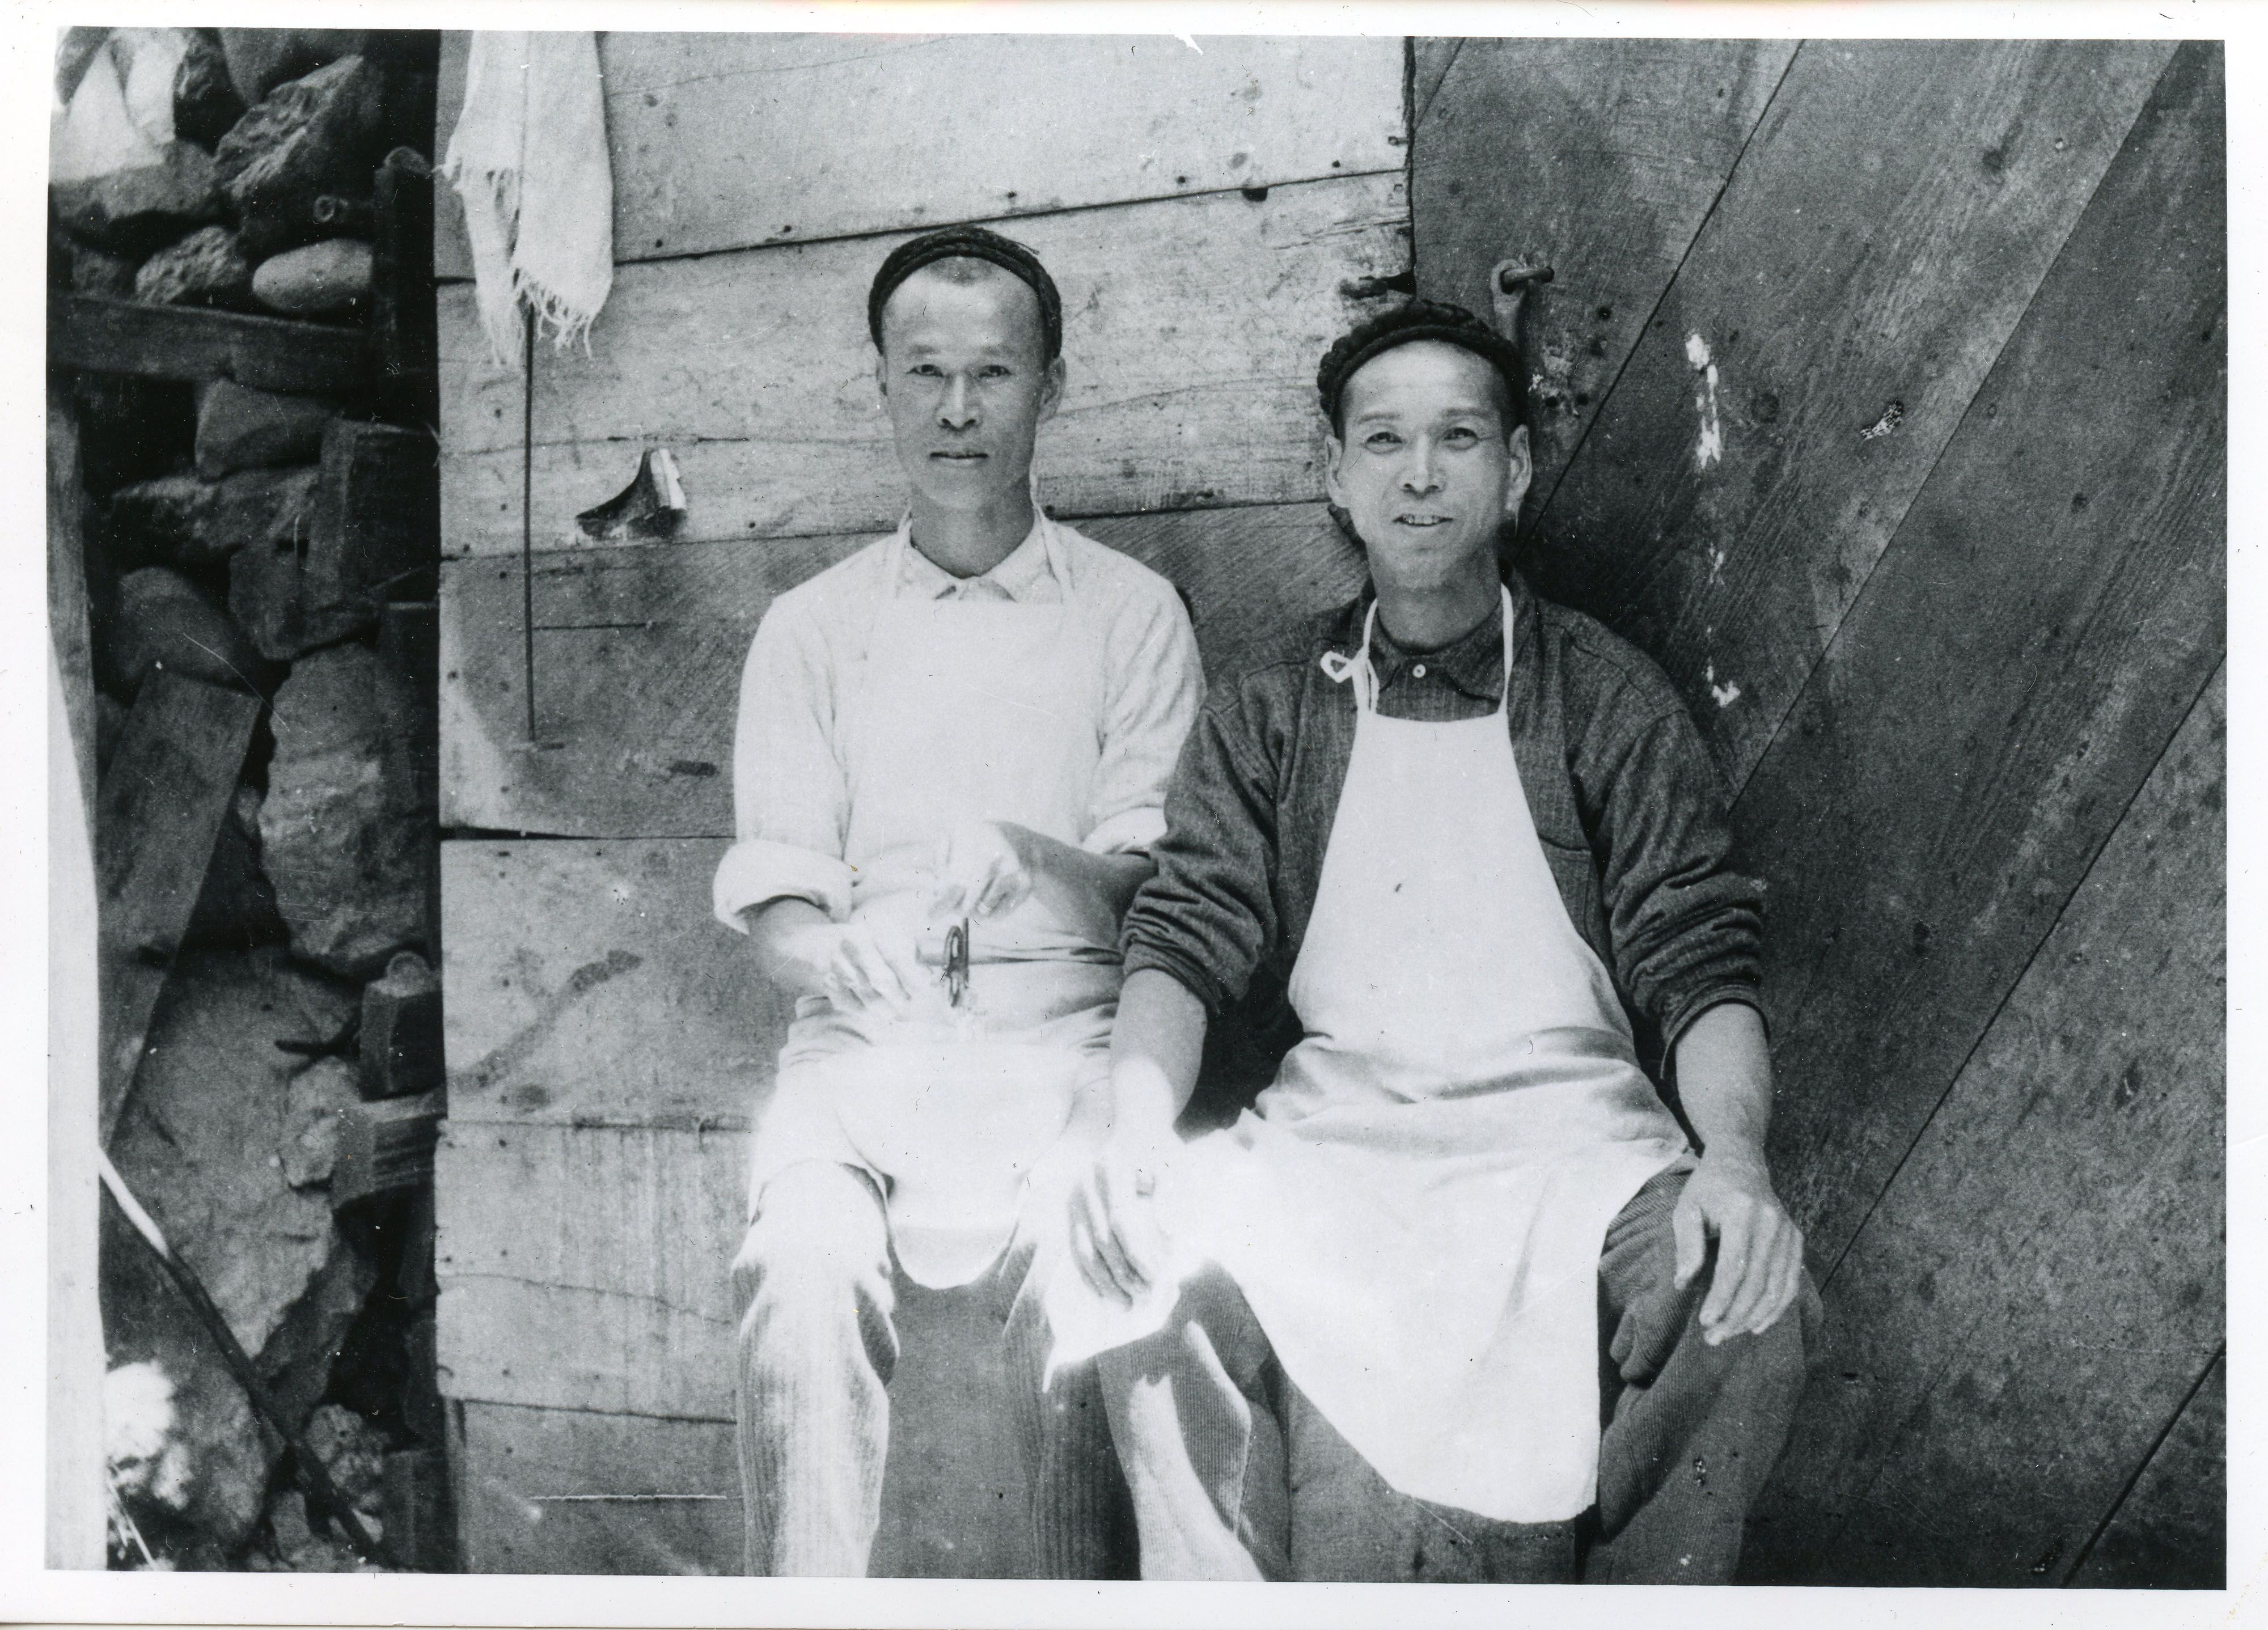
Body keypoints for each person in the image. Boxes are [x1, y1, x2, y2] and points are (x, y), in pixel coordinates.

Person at [1059, 299, 1817, 1582]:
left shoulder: (1602, 696)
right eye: (1385, 442)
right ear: (1334, 475)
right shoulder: (1269, 713)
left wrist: (1732, 1161)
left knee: (1740, 1299)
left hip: (1569, 1157)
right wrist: (1130, 1127)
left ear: (1512, 470)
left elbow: (1697, 966)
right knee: (1132, 1266)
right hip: (1331, 1152)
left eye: (1458, 438)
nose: (1420, 474)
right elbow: (1180, 943)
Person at [713, 225, 1203, 1577]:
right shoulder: (812, 627)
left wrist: (1035, 858)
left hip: (1067, 1054)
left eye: (993, 372)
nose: (956, 408)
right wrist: (838, 953)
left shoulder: (1131, 612)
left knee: (1094, 1263)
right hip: (861, 1060)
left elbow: (1157, 909)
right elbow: (780, 921)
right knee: (798, 1265)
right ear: (877, 382)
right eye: (922, 371)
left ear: (1052, 386)